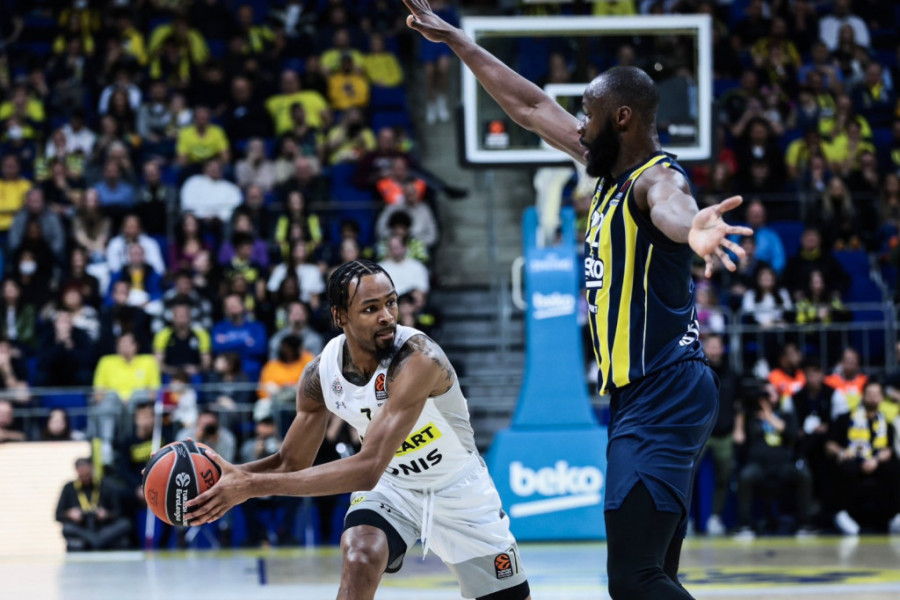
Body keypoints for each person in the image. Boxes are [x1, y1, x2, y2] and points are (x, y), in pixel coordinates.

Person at [401, 2, 752, 598]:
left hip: (662, 389)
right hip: (654, 391)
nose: (579, 126)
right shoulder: (609, 170)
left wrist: (694, 232)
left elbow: (674, 209)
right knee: (654, 573)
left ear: (621, 118)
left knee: (634, 580)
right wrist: (459, 41)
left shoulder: (656, 180)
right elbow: (531, 107)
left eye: (588, 115)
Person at [187, 260, 532, 600]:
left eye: (391, 302)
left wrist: (250, 485)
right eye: (370, 308)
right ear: (340, 316)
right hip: (393, 487)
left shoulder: (418, 359)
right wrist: (227, 478)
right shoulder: (320, 375)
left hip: (457, 488)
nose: (387, 316)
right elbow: (291, 462)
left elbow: (367, 469)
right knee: (359, 556)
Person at [56, 458, 131, 551]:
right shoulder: (69, 488)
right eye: (82, 475)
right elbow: (58, 515)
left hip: (103, 528)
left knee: (125, 524)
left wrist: (107, 514)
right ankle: (96, 541)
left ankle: (94, 540)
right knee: (67, 528)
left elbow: (118, 512)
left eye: (87, 474)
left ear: (92, 469)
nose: (85, 478)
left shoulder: (106, 486)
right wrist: (69, 513)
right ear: (77, 471)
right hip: (81, 528)